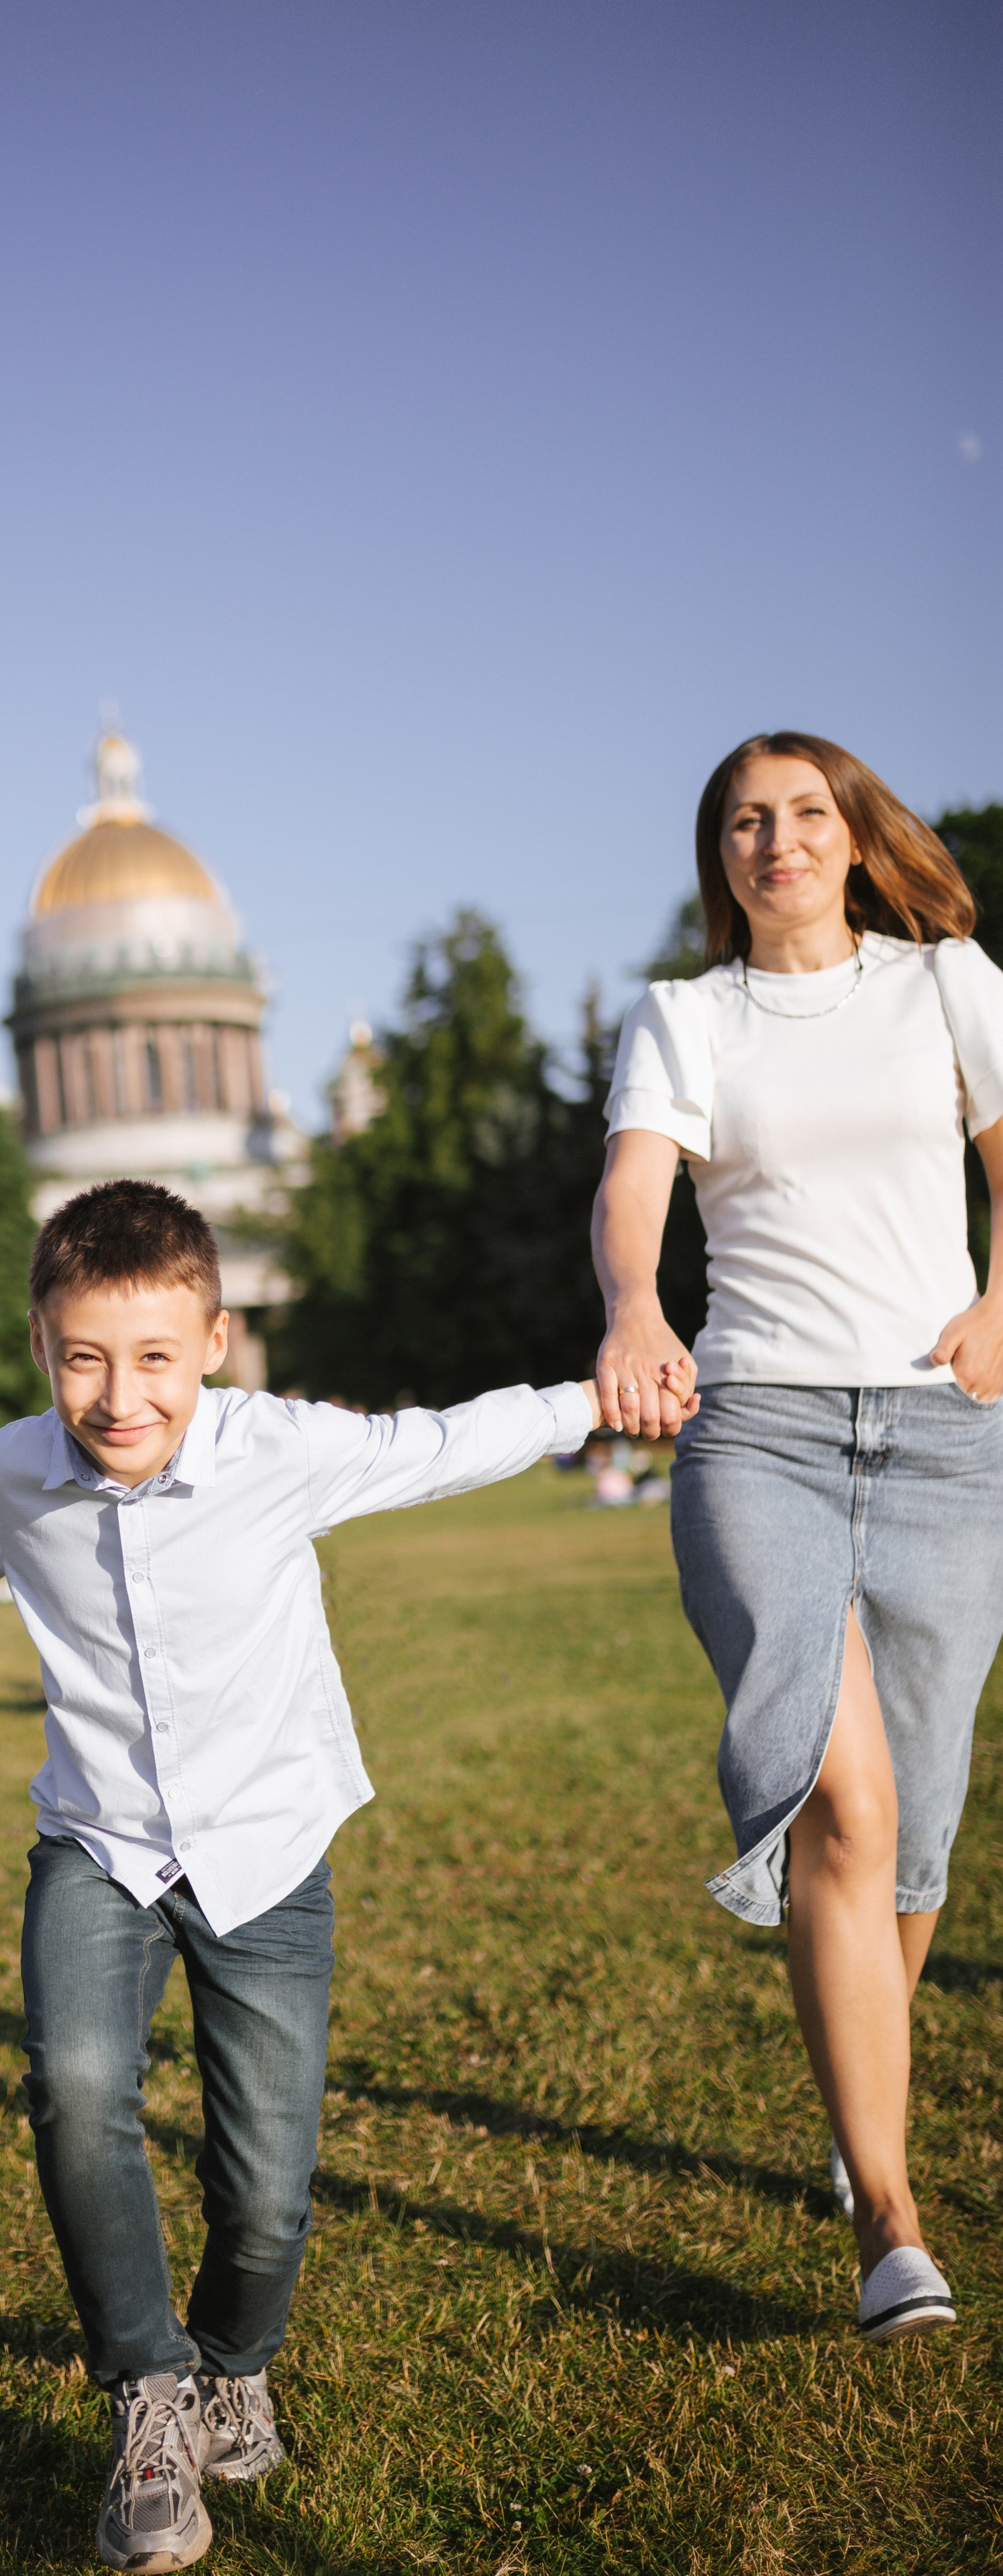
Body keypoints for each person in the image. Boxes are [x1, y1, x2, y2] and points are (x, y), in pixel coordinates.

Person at [0, 1178, 598, 2572]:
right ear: (40, 1344)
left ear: (215, 1344)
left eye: (153, 1359)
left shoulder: (277, 1447)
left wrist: (593, 1397)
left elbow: (445, 1443)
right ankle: (149, 2395)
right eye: (83, 1358)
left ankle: (235, 2364)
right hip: (99, 1845)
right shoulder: (14, 1471)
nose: (118, 1396)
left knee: (266, 2189)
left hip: (265, 1853)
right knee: (76, 2090)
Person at [592, 731, 1003, 2347]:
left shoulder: (947, 982)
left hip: (941, 1434)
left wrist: (1001, 1303)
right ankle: (888, 2222)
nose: (777, 841)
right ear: (721, 858)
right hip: (754, 1428)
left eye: (805, 813)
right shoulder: (684, 1016)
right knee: (844, 1802)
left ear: (851, 835)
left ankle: (858, 2097)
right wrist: (634, 1306)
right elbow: (636, 1186)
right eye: (744, 822)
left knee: (916, 1828)